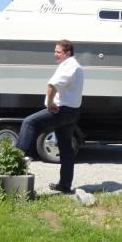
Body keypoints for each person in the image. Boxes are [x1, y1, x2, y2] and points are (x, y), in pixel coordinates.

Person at [18, 39, 84, 194]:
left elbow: (51, 86)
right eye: (55, 51)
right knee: (66, 149)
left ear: (67, 53)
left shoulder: (69, 66)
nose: (55, 54)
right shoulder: (76, 66)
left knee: (29, 123)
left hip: (62, 111)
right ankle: (64, 186)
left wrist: (49, 103)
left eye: (58, 52)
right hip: (73, 112)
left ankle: (16, 158)